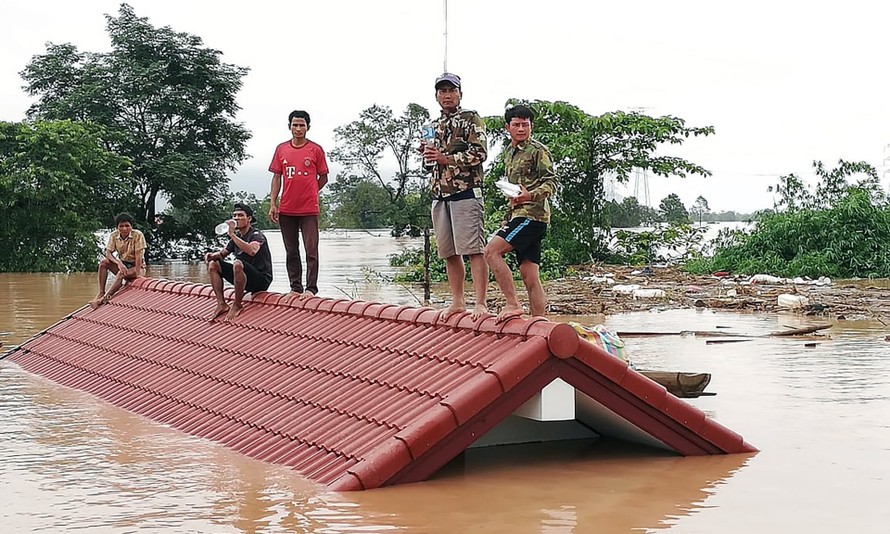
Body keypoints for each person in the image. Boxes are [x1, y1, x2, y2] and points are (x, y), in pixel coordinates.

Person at [423, 73, 489, 319]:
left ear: (460, 93)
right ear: (436, 96)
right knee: (449, 252)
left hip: (466, 192)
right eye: (442, 91)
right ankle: (458, 301)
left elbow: (480, 154)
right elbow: (429, 165)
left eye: (451, 90)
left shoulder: (471, 119)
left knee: (474, 249)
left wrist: (445, 158)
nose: (447, 95)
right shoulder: (432, 126)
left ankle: (480, 302)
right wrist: (428, 155)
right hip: (439, 194)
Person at [483, 105, 557, 322]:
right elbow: (514, 189)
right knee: (529, 274)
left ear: (531, 126)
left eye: (526, 124)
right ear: (508, 127)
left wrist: (530, 195)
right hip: (518, 215)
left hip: (532, 216)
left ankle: (513, 304)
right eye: (517, 124)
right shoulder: (509, 153)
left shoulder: (538, 150)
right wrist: (510, 212)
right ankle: (539, 323)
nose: (522, 128)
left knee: (491, 252)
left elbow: (552, 182)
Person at [268, 110, 329, 298]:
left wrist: (311, 191)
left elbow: (324, 177)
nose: (298, 128)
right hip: (287, 208)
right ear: (289, 127)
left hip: (309, 209)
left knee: (311, 249)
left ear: (308, 127)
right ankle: (295, 287)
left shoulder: (315, 150)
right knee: (291, 250)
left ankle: (311, 288)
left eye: (302, 125)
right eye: (295, 125)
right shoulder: (281, 149)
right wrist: (273, 202)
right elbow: (276, 177)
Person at [205, 203, 273, 321]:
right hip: (243, 276)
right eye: (234, 215)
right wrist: (211, 256)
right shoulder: (236, 237)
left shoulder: (256, 235)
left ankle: (237, 304)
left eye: (240, 215)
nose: (236, 218)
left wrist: (231, 235)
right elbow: (222, 254)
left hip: (261, 279)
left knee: (237, 263)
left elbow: (252, 250)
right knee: (214, 264)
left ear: (249, 219)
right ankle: (221, 304)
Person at [90, 212, 146, 309]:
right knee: (103, 262)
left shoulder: (138, 235)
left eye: (127, 226)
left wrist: (137, 274)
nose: (124, 229)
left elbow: (139, 257)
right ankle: (101, 292)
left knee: (121, 274)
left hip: (137, 266)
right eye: (121, 226)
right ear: (117, 227)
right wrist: (118, 263)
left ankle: (103, 299)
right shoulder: (114, 235)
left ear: (131, 226)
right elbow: (108, 253)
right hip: (123, 265)